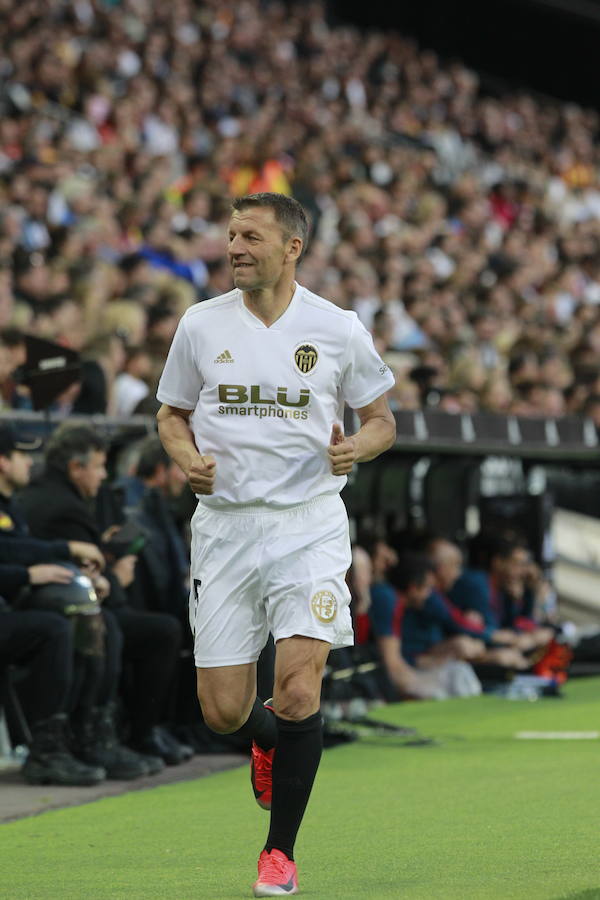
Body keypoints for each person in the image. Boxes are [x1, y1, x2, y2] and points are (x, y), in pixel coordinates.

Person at [156, 192, 396, 897]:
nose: (234, 247)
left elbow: (382, 418)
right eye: (230, 234)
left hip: (308, 525)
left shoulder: (337, 328)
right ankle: (262, 739)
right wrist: (183, 456)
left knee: (298, 686)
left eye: (250, 236)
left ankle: (279, 853)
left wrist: (357, 447)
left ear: (292, 248)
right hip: (225, 528)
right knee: (223, 710)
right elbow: (171, 415)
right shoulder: (200, 326)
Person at [16, 423, 186, 768]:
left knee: (132, 623)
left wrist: (103, 556)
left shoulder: (44, 496)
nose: (103, 475)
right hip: (62, 605)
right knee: (145, 628)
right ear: (75, 468)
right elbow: (81, 573)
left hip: (56, 600)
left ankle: (115, 732)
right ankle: (115, 734)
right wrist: (116, 577)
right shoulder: (65, 506)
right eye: (98, 466)